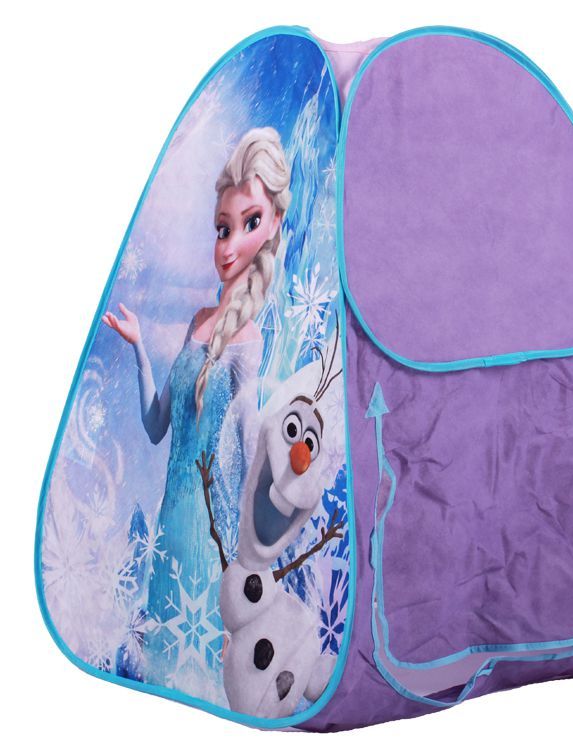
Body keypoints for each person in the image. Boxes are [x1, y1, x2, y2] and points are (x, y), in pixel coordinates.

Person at [102, 126, 292, 700]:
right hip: (170, 527)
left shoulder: (249, 343)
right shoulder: (196, 324)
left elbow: (250, 457)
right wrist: (140, 347)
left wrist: (248, 567)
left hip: (210, 539)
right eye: (222, 228)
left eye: (249, 224)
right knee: (160, 667)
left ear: (273, 227)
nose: (228, 246)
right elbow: (156, 426)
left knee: (197, 676)